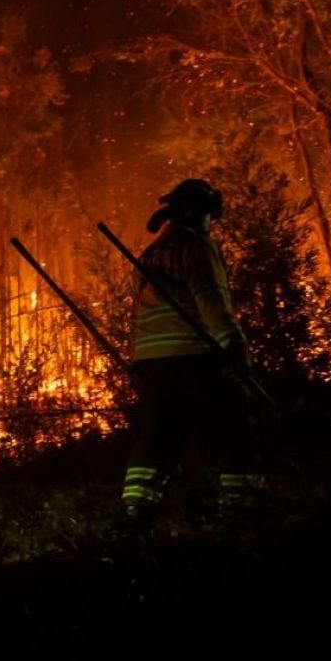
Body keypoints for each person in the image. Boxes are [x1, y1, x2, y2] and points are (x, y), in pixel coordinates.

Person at [119, 179, 261, 527]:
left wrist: (136, 360)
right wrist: (234, 345)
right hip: (192, 353)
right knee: (234, 421)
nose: (212, 225)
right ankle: (241, 504)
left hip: (152, 361)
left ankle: (135, 511)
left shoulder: (150, 253)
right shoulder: (196, 246)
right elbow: (211, 298)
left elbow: (138, 312)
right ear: (200, 213)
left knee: (156, 435)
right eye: (211, 217)